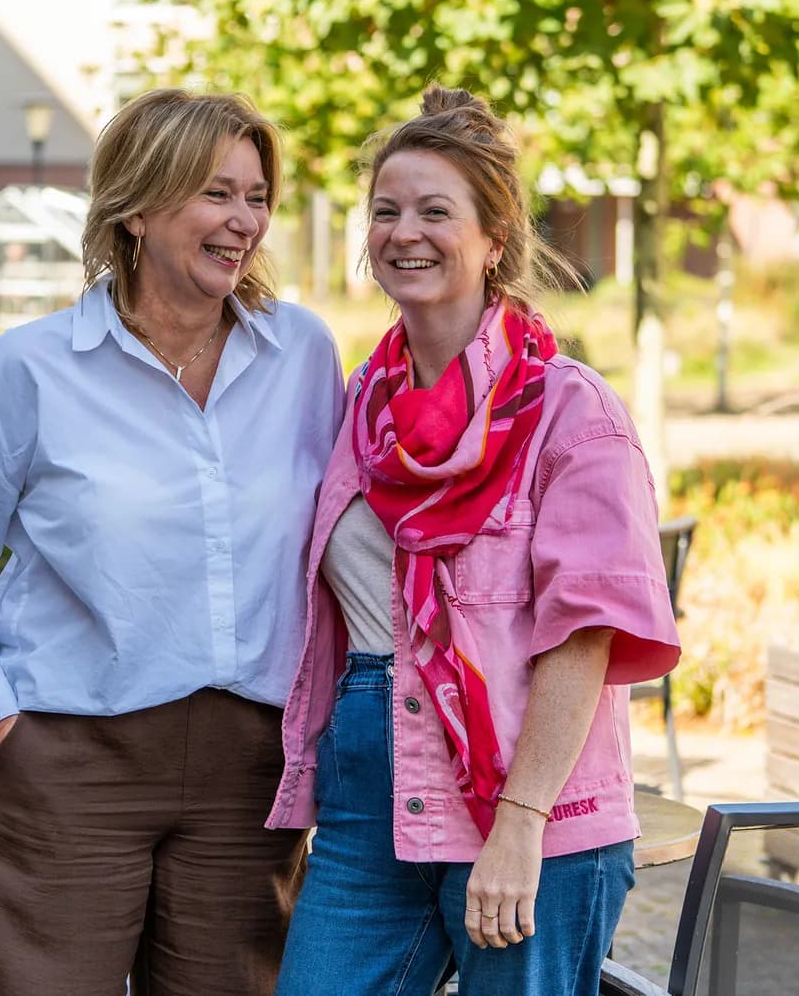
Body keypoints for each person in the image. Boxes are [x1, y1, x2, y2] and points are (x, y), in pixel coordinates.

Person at [0, 88, 344, 996]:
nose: (244, 220)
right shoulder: (31, 369)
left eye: (257, 196)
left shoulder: (302, 355)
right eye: (217, 193)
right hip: (65, 763)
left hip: (249, 776)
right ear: (136, 207)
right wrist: (0, 730)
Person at [268, 85, 682, 996]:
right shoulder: (357, 407)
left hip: (527, 809)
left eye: (433, 211)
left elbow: (584, 636)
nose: (403, 231)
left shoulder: (569, 411)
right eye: (385, 211)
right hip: (368, 809)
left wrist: (521, 821)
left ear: (495, 240)